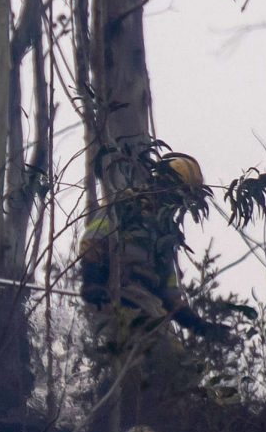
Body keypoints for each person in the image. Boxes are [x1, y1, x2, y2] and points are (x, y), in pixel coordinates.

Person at [78, 148, 227, 345]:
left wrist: (198, 324)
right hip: (116, 297)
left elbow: (169, 292)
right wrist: (93, 281)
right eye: (178, 193)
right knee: (161, 357)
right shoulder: (126, 204)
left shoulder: (166, 233)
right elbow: (92, 240)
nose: (178, 202)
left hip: (146, 305)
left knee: (178, 366)